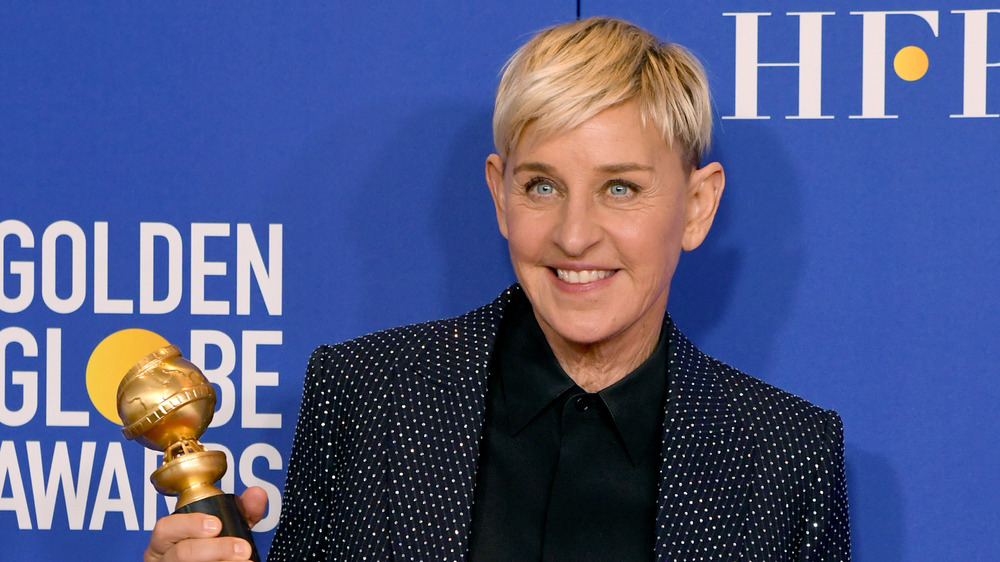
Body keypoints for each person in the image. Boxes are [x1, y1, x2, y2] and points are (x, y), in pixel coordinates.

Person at [144, 16, 850, 561]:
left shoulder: (783, 456)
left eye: (621, 188)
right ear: (500, 195)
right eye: (542, 185)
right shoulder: (365, 397)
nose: (575, 235)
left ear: (696, 207)